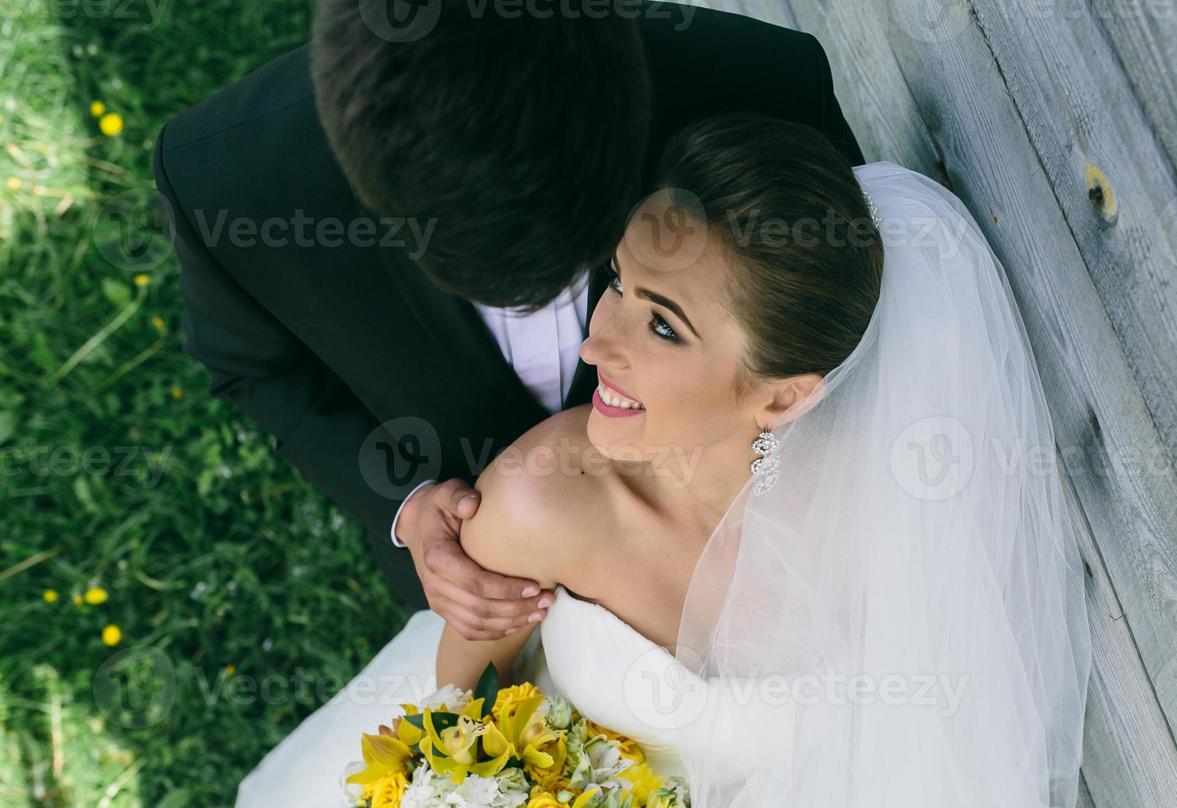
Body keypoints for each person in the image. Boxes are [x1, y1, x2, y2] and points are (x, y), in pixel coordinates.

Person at [163, 113, 1093, 808]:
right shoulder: (539, 504)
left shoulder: (881, 507)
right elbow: (451, 727)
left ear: (782, 398)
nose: (600, 341)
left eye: (661, 324)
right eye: (617, 281)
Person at [152, 0, 863, 642]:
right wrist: (404, 506)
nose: (591, 339)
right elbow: (253, 368)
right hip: (472, 594)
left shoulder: (759, 85)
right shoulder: (229, 183)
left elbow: (838, 326)